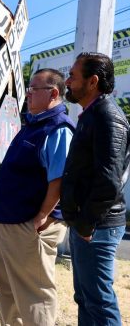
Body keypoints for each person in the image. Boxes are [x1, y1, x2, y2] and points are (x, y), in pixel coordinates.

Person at [0, 68, 75, 325]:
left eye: (34, 89)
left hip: (27, 226)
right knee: (8, 295)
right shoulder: (32, 125)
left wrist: (41, 216)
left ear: (54, 93)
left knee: (35, 297)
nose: (28, 94)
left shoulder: (58, 128)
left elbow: (59, 180)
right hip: (5, 222)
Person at [61, 52, 130, 325]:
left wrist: (86, 224)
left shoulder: (107, 116)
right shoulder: (91, 114)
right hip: (87, 224)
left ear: (93, 82)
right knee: (87, 299)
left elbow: (109, 180)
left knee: (99, 303)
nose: (67, 81)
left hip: (97, 227)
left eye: (73, 76)